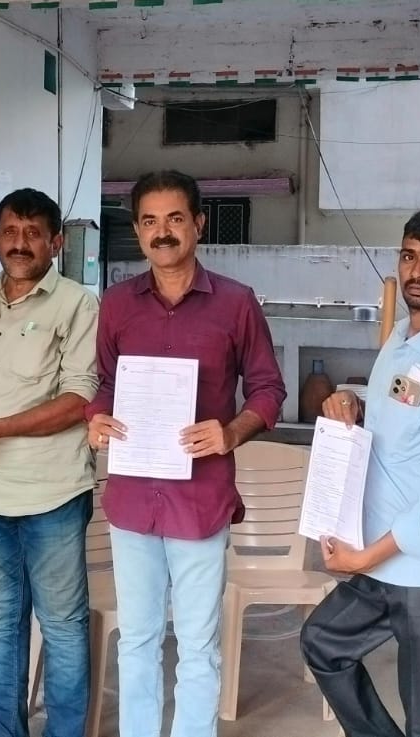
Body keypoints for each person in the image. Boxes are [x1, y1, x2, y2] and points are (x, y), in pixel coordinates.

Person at [85, 170, 287, 737]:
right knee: (138, 639)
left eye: (175, 218)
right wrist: (96, 417)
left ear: (198, 223)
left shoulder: (236, 303)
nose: (163, 232)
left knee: (198, 644)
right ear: (137, 230)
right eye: (150, 221)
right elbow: (105, 383)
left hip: (200, 498)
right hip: (132, 499)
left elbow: (268, 389)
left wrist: (232, 432)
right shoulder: (117, 304)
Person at [299, 206, 420, 737]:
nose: (417, 271)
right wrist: (351, 405)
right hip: (380, 566)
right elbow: (395, 421)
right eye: (408, 256)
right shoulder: (399, 341)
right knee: (323, 644)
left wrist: (365, 556)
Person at [0, 188, 100, 737]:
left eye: (33, 234)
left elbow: (79, 399)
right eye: (10, 232)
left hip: (50, 492)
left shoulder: (77, 304)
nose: (20, 243)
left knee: (62, 624)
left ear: (55, 243)